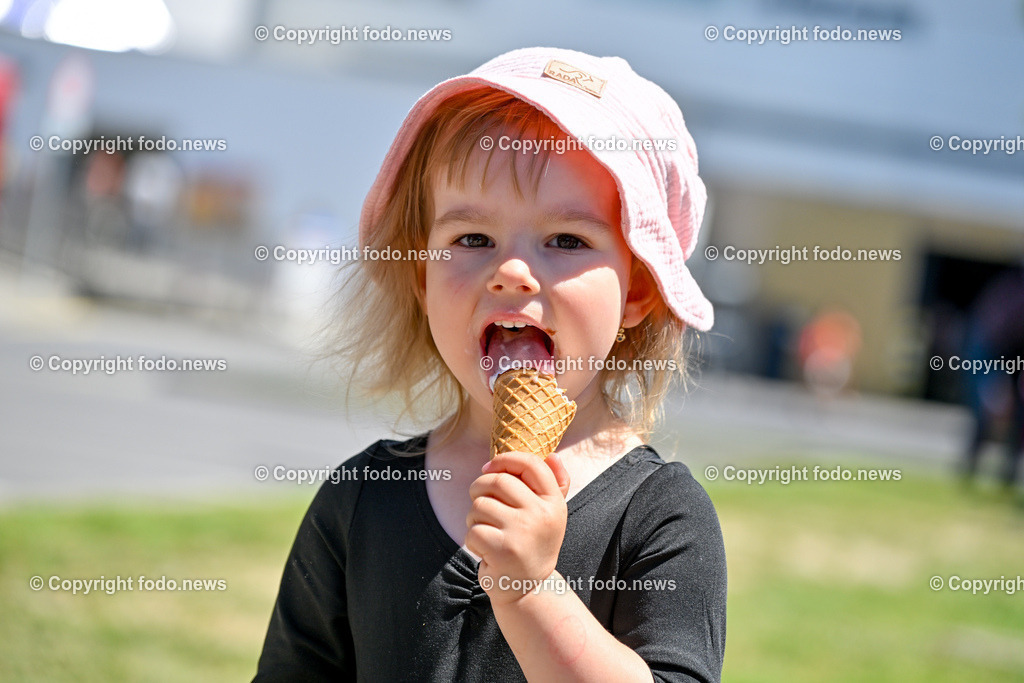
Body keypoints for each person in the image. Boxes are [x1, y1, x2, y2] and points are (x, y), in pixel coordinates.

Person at [254, 47, 727, 682]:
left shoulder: (660, 516)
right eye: (471, 239)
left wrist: (531, 591)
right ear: (421, 276)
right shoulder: (362, 499)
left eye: (566, 240)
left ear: (639, 290)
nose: (510, 272)